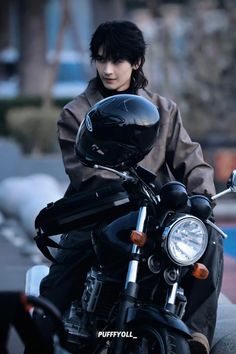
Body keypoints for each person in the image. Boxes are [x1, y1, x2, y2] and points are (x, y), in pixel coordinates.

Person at [38, 21, 223, 354]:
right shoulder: (77, 113)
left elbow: (191, 159)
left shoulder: (164, 110)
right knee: (56, 286)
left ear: (136, 62)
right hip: (98, 214)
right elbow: (88, 174)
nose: (108, 70)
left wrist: (202, 196)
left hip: (159, 214)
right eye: (101, 59)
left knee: (207, 236)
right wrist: (137, 190)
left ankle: (196, 336)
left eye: (118, 61)